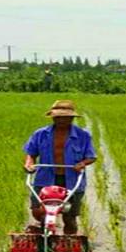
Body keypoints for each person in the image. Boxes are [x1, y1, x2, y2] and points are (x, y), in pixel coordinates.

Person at [23, 100, 96, 235]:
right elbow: (31, 153)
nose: (62, 120)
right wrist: (29, 163)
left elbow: (91, 156)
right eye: (58, 117)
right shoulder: (40, 134)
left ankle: (69, 245)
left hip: (72, 180)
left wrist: (82, 163)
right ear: (53, 117)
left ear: (72, 118)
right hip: (45, 179)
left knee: (69, 217)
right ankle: (46, 238)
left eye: (66, 117)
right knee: (39, 212)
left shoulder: (83, 136)